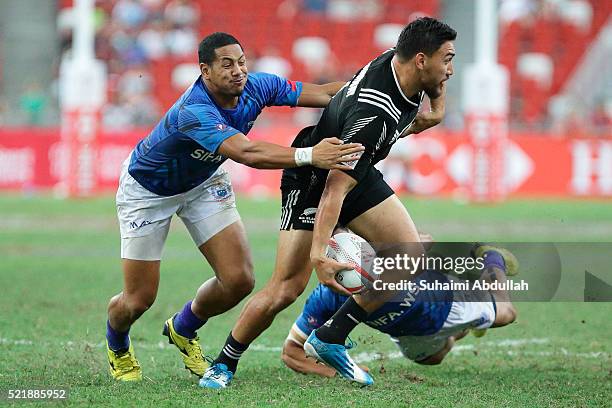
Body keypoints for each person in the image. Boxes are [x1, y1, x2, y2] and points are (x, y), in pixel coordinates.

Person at [200, 17, 455, 388]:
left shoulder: (401, 65)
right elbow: (333, 190)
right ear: (420, 60)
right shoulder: (374, 117)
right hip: (316, 179)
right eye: (446, 60)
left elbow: (428, 95)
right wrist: (320, 253)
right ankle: (223, 364)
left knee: (408, 254)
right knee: (286, 287)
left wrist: (438, 105)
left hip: (356, 172)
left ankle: (330, 336)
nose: (449, 70)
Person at [105, 32, 364, 382]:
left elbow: (325, 93)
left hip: (203, 183)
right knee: (138, 300)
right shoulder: (194, 110)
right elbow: (248, 153)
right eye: (226, 64)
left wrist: (375, 88)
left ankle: (183, 329)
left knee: (239, 280)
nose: (238, 71)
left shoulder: (258, 86)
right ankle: (118, 345)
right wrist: (311, 155)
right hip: (148, 191)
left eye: (241, 62)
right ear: (205, 70)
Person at [281, 243, 519, 377]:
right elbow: (291, 352)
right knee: (433, 358)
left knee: (507, 312)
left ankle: (491, 257)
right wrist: (336, 373)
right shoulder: (326, 297)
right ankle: (470, 326)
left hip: (445, 302)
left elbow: (419, 245)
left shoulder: (390, 261)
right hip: (407, 332)